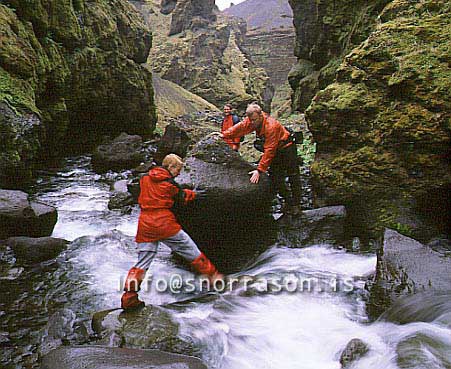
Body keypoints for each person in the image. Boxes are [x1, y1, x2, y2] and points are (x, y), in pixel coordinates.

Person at [121, 154, 222, 310]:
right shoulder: (170, 184)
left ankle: (129, 298)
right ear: (171, 167)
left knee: (142, 263)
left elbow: (136, 191)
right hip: (164, 223)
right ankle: (217, 282)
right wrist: (195, 194)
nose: (179, 173)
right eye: (178, 170)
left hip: (145, 224)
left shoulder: (144, 178)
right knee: (192, 252)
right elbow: (182, 198)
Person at [220, 103, 302, 213]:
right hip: (276, 150)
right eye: (251, 120)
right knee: (275, 177)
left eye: (254, 120)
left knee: (293, 175)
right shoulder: (252, 119)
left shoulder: (271, 126)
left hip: (287, 148)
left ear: (260, 115)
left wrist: (259, 170)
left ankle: (296, 204)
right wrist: (224, 135)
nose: (252, 123)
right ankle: (288, 201)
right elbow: (240, 127)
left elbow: (269, 150)